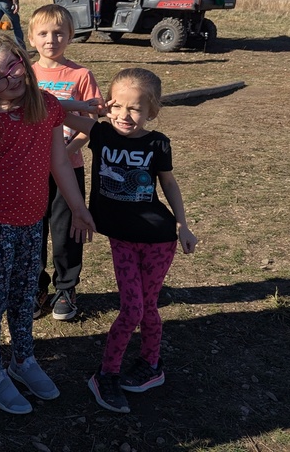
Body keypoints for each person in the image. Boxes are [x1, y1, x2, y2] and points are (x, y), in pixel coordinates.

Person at [0, 33, 95, 415]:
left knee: (26, 293)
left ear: (21, 58)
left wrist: (78, 207)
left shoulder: (45, 106)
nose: (10, 78)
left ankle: (22, 359)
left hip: (32, 221)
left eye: (13, 66)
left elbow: (60, 162)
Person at [58, 68, 197, 414]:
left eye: (134, 109)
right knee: (134, 308)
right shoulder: (101, 132)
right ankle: (107, 374)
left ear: (152, 111)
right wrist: (89, 107)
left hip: (158, 240)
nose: (124, 115)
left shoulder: (157, 143)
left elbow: (169, 184)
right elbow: (52, 108)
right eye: (117, 106)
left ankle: (150, 366)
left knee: (145, 308)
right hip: (121, 239)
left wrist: (183, 224)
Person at [28, 4, 103, 322]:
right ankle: (35, 288)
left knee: (66, 231)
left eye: (59, 32)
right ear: (31, 38)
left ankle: (66, 288)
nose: (51, 39)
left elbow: (93, 122)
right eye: (43, 33)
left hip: (69, 167)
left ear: (70, 36)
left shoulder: (81, 75)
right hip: (29, 170)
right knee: (31, 232)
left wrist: (70, 148)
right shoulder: (25, 75)